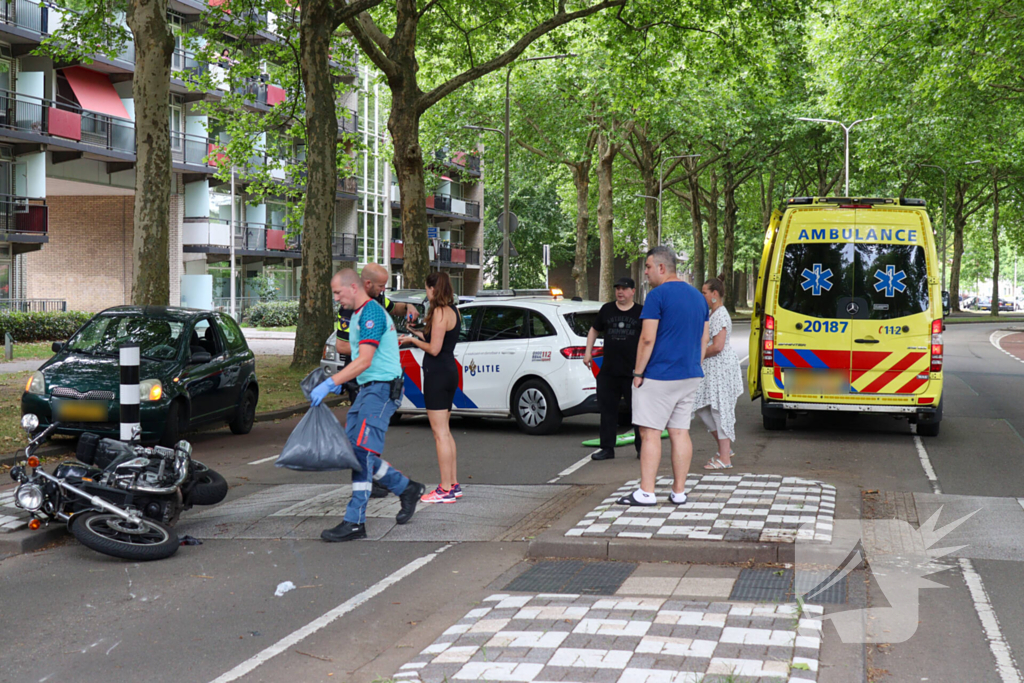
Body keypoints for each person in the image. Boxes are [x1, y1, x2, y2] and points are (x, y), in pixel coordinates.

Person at [311, 268, 426, 542]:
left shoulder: (371, 312)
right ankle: (406, 488)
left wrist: (331, 382)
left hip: (382, 390)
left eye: (338, 292)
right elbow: (354, 355)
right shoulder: (360, 314)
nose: (336, 298)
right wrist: (342, 379)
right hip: (369, 388)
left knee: (361, 452)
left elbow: (364, 359)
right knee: (354, 451)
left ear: (354, 287)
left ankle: (355, 521)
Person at [619, 245, 709, 507]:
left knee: (650, 433)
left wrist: (637, 373)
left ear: (661, 267)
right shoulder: (698, 297)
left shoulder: (657, 297)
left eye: (647, 267)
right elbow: (704, 338)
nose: (645, 273)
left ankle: (646, 492)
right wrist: (694, 364)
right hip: (690, 374)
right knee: (680, 432)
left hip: (659, 376)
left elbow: (647, 339)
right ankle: (679, 492)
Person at [398, 272, 462, 503]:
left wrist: (412, 341)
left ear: (433, 289)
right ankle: (453, 484)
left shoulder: (438, 312)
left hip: (436, 374)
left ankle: (444, 489)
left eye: (427, 289)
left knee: (439, 433)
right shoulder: (454, 310)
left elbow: (433, 349)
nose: (426, 293)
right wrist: (414, 333)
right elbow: (439, 340)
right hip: (449, 371)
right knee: (445, 430)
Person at [584, 277, 644, 461]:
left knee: (639, 412)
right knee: (608, 411)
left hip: (633, 372)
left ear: (633, 291)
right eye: (617, 288)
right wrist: (588, 353)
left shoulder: (641, 311)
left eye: (624, 289)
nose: (620, 292)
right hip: (609, 371)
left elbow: (649, 338)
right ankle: (607, 448)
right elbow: (594, 329)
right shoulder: (607, 309)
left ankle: (642, 449)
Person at [692, 278, 744, 470]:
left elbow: (718, 346)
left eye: (705, 292)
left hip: (721, 368)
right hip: (712, 368)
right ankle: (725, 449)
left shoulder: (720, 314)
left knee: (719, 409)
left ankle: (724, 458)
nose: (702, 295)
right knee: (702, 407)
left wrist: (698, 353)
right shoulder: (712, 313)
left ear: (715, 294)